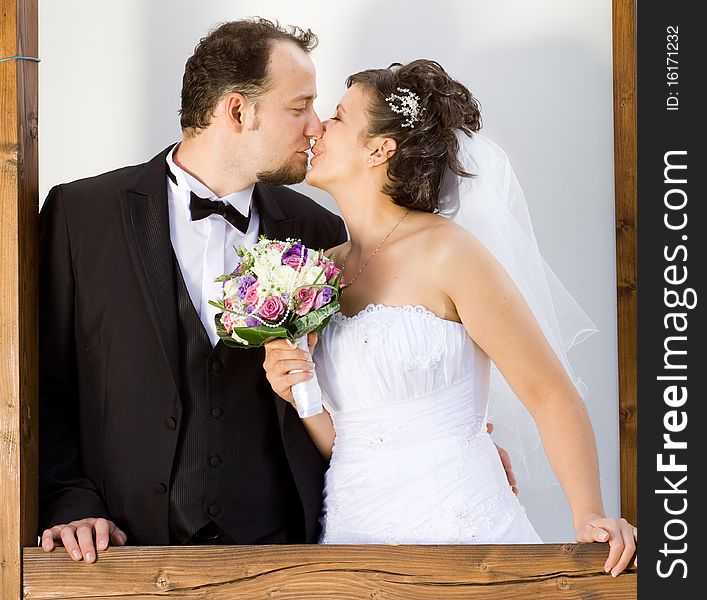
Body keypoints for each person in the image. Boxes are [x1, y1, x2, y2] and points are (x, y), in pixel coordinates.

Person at [38, 18, 516, 563]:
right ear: (238, 111)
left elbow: (366, 385)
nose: (316, 127)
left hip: (291, 558)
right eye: (300, 107)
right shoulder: (81, 215)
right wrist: (66, 501)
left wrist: (457, 448)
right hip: (119, 552)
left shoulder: (322, 233)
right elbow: (42, 385)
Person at [263, 60, 637, 575]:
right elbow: (351, 439)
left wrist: (590, 515)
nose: (319, 128)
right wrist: (298, 395)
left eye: (338, 117)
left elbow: (550, 393)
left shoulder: (448, 252)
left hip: (464, 529)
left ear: (380, 148)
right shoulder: (319, 270)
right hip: (354, 535)